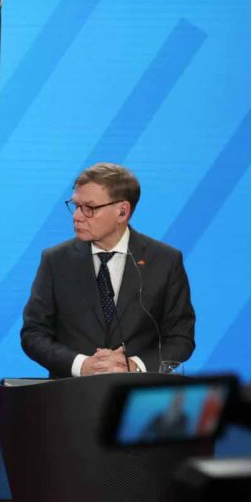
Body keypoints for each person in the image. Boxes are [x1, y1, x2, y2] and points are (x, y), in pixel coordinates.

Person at [21, 162, 195, 378]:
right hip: (70, 392)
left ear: (122, 212)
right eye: (76, 206)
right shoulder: (56, 260)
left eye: (89, 208)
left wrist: (133, 365)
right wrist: (81, 365)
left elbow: (181, 338)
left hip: (136, 392)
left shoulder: (165, 261)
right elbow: (33, 334)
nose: (77, 216)